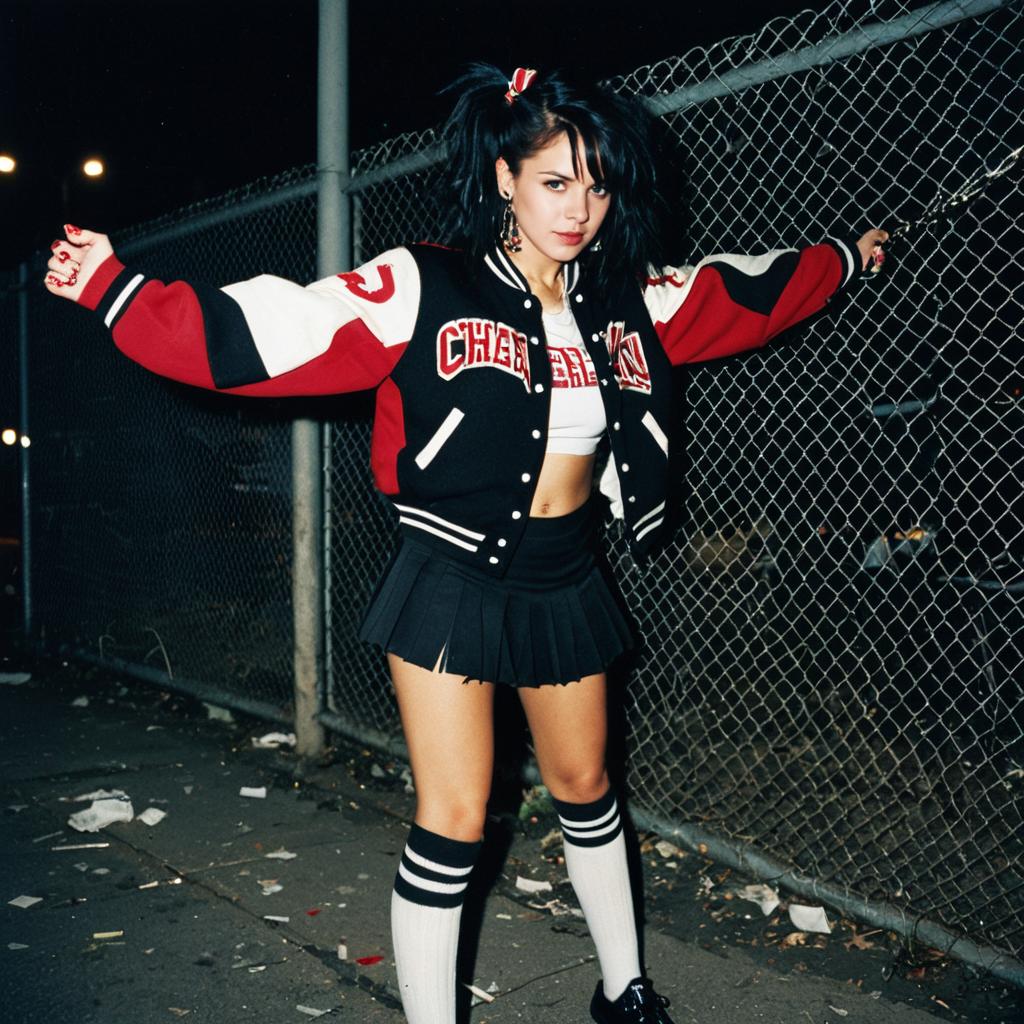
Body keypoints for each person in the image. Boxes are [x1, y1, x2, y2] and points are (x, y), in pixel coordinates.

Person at [45, 64, 888, 1024]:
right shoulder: (423, 284)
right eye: (556, 182)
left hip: (565, 571)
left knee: (587, 787)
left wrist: (847, 259)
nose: (581, 209)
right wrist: (118, 290)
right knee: (454, 818)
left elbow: (747, 290)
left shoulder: (626, 300)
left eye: (600, 184)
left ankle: (624, 992)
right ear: (504, 178)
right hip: (450, 572)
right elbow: (272, 331)